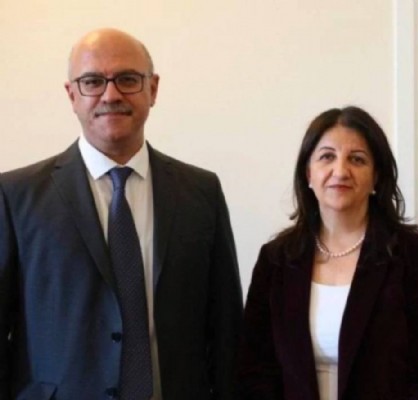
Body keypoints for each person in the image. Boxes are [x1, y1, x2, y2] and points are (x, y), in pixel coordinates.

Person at [0, 28, 243, 399]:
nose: (111, 95)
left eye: (128, 79)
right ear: (71, 95)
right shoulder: (16, 196)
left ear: (153, 89)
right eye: (92, 82)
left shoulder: (201, 192)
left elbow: (226, 327)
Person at [238, 106, 418, 399]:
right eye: (327, 157)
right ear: (308, 173)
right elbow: (255, 371)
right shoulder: (276, 260)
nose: (341, 171)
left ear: (376, 176)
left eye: (357, 159)